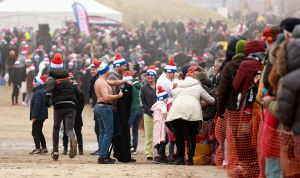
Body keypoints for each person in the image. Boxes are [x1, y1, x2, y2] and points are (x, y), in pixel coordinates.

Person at [166, 72, 215, 165]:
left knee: (179, 136)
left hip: (176, 111)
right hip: (192, 112)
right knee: (191, 136)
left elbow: (174, 96)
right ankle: (190, 159)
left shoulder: (178, 87)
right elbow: (211, 100)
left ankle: (180, 159)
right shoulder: (198, 87)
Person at [45, 53, 78, 161]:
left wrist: (47, 103)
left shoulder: (51, 78)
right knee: (69, 128)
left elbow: (48, 92)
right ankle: (72, 137)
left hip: (59, 106)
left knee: (56, 127)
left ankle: (55, 152)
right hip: (71, 105)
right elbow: (79, 92)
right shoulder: (70, 77)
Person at [93, 61, 124, 164]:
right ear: (105, 71)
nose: (109, 72)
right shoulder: (102, 82)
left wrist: (125, 81)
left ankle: (103, 154)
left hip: (100, 107)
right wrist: (117, 96)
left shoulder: (101, 80)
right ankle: (102, 156)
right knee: (108, 133)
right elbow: (106, 97)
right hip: (105, 107)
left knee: (102, 132)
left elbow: (114, 83)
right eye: (108, 70)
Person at [63, 76, 85, 155]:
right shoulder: (79, 93)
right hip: (77, 114)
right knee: (78, 132)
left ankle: (65, 149)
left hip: (67, 113)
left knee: (66, 132)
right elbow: (82, 102)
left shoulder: (66, 92)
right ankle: (81, 149)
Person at [140, 65, 157, 160]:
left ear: (155, 76)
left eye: (152, 75)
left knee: (160, 134)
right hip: (148, 114)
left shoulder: (159, 86)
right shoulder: (143, 88)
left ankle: (161, 152)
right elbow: (141, 102)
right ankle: (149, 153)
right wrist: (149, 111)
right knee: (149, 134)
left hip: (159, 114)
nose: (150, 77)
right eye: (148, 75)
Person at [29, 75, 48, 154]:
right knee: (39, 131)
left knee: (34, 132)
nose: (33, 83)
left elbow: (37, 105)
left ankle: (38, 148)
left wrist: (34, 116)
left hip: (38, 115)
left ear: (38, 83)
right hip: (42, 115)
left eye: (34, 81)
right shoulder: (42, 91)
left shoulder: (37, 92)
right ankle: (44, 148)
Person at [125, 71, 143, 155]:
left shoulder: (132, 89)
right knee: (135, 131)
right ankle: (134, 148)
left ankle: (127, 146)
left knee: (126, 128)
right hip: (140, 110)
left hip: (133, 110)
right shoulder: (141, 88)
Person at [151, 86, 168, 164]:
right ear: (163, 98)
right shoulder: (162, 104)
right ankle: (159, 156)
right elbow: (164, 112)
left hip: (157, 124)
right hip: (161, 125)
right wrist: (167, 117)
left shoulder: (156, 104)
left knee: (159, 140)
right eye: (166, 98)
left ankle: (162, 156)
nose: (167, 100)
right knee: (163, 140)